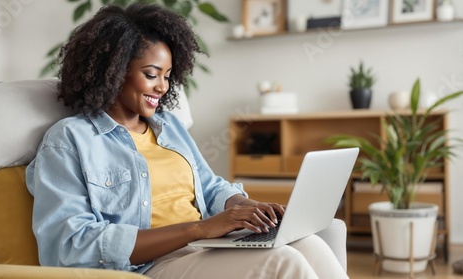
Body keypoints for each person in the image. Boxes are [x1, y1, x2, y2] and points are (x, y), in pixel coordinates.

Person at [25, 3, 348, 278]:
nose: (162, 87)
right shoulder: (70, 140)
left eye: (167, 76)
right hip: (151, 264)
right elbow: (69, 245)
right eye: (151, 74)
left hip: (204, 248)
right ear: (113, 70)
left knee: (310, 243)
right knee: (284, 261)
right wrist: (202, 229)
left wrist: (247, 208)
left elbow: (209, 186)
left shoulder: (169, 127)